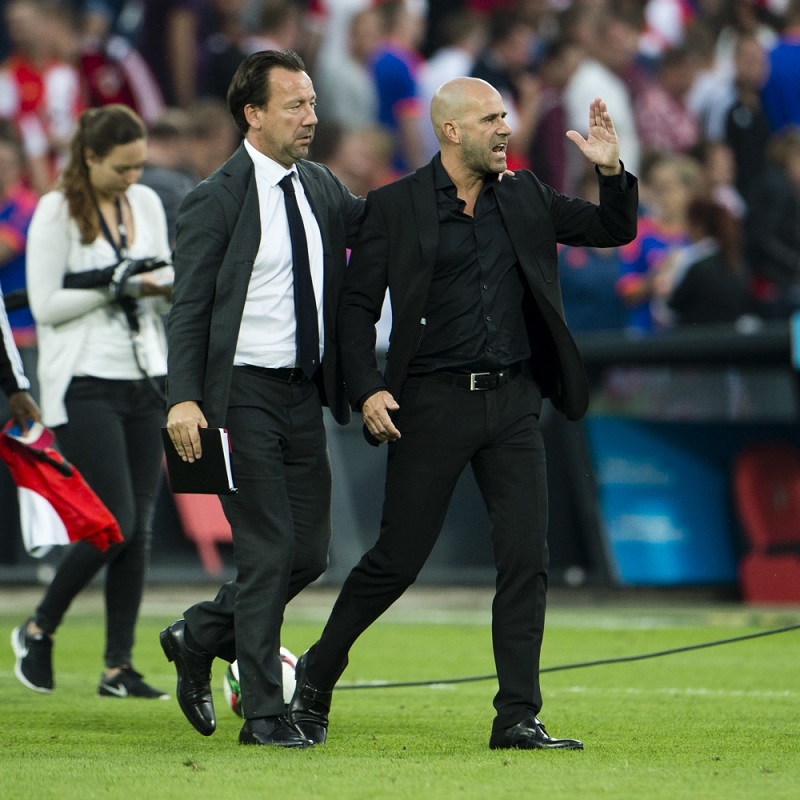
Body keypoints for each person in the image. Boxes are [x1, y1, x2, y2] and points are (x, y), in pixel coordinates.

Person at [287, 79, 638, 751]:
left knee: (524, 561)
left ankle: (517, 716)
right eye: (490, 118)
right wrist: (365, 389)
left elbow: (612, 228)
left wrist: (612, 172)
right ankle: (317, 673)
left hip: (512, 404)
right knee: (395, 561)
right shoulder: (396, 206)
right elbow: (355, 309)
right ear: (451, 132)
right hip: (430, 402)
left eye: (505, 115)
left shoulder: (528, 194)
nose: (506, 128)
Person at [159, 50, 365, 749]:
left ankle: (199, 635)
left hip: (300, 393)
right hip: (238, 393)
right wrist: (183, 399)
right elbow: (187, 311)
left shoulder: (321, 186)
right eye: (295, 106)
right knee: (270, 547)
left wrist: (443, 187)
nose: (311, 118)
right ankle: (265, 715)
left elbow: (375, 227)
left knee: (309, 552)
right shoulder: (213, 199)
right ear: (253, 113)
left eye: (311, 104)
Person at [10, 104, 173, 698]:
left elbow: (155, 284)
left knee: (140, 528)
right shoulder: (56, 211)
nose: (133, 179)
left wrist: (161, 288)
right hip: (82, 379)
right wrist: (117, 282)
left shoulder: (149, 205)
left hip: (144, 374)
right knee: (114, 521)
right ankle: (37, 626)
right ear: (89, 158)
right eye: (121, 169)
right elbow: (46, 305)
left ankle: (116, 667)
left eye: (139, 167)